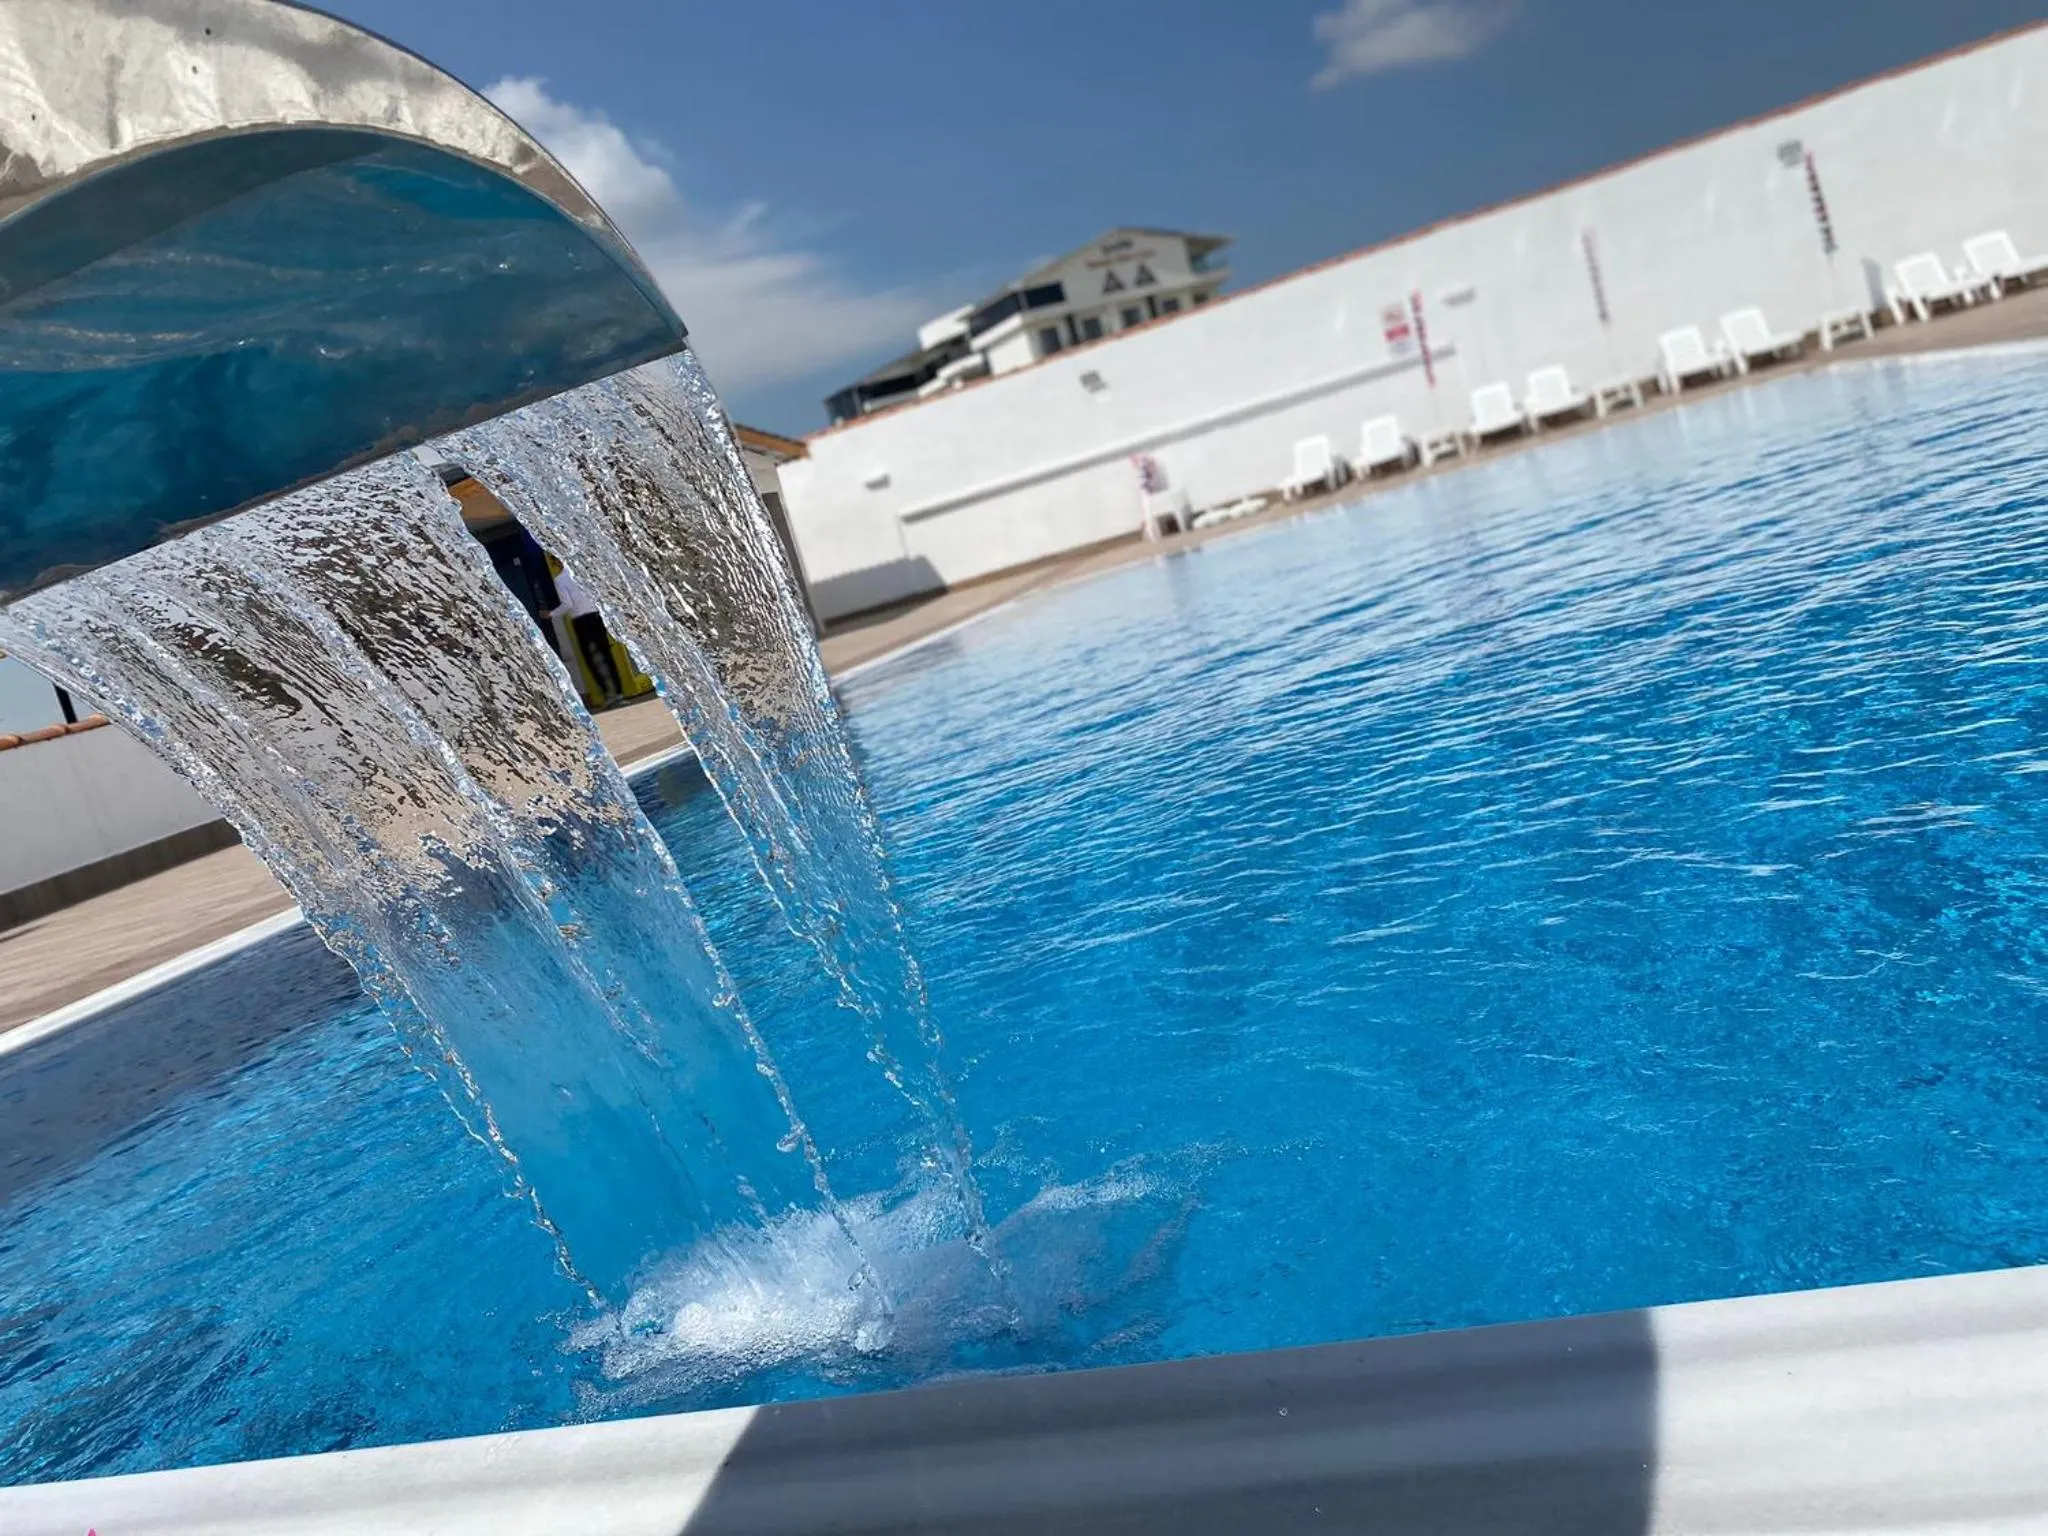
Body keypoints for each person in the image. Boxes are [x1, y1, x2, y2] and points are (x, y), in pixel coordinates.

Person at [545, 555, 624, 706]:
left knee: (590, 658)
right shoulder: (583, 573)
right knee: (607, 654)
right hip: (596, 617)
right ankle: (619, 692)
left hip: (581, 621)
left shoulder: (560, 580)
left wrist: (551, 614)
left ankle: (608, 694)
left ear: (556, 562)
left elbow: (567, 604)